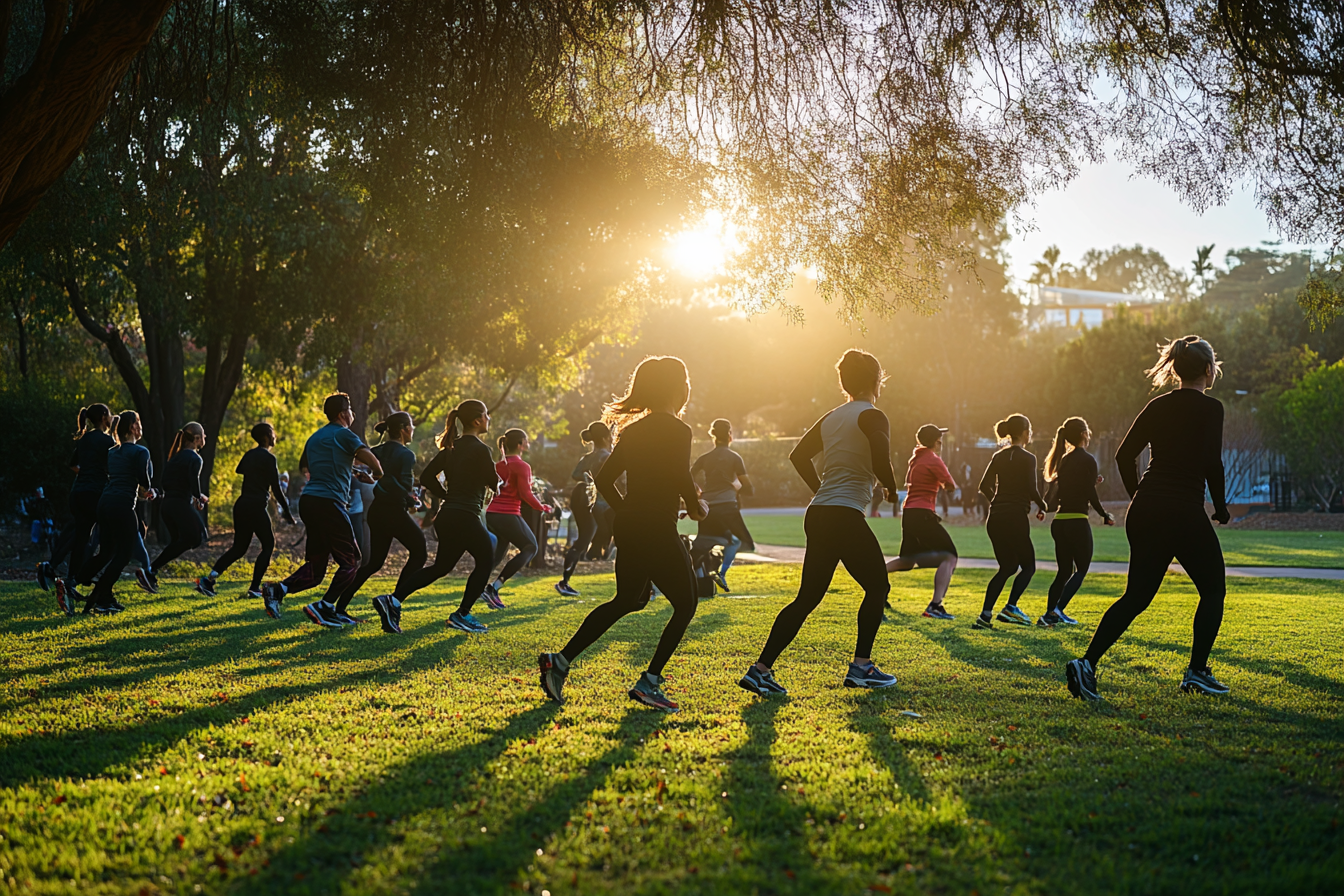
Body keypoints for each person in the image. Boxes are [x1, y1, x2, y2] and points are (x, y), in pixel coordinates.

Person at [538, 356, 708, 712]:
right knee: (687, 602)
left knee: (629, 600)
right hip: (655, 527)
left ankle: (561, 661)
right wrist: (695, 507)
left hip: (629, 524)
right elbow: (679, 474)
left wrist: (629, 507)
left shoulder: (633, 431)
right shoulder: (679, 430)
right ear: (678, 388)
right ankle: (650, 684)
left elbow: (603, 479)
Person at [1067, 336, 1231, 700]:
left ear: (1174, 369)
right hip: (1182, 509)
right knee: (1213, 590)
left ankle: (1087, 663)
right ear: (1208, 369)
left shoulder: (1157, 407)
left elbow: (1125, 457)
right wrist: (1219, 507)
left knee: (1137, 596)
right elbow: (1212, 464)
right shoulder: (1212, 408)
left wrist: (1139, 496)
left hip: (1146, 509)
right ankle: (1197, 672)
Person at [738, 349, 901, 698]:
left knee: (808, 597)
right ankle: (861, 667)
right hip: (843, 514)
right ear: (877, 381)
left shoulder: (832, 417)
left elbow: (798, 455)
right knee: (877, 587)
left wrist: (820, 490)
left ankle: (760, 670)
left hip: (821, 512)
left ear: (844, 382)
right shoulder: (873, 416)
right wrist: (891, 487)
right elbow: (881, 454)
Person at [260, 392, 384, 626]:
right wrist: (377, 473)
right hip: (329, 503)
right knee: (353, 560)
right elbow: (370, 457)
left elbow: (311, 465)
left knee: (317, 569)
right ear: (342, 414)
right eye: (350, 410)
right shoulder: (344, 434)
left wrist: (350, 472)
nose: (353, 414)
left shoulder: (316, 437)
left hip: (310, 501)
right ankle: (325, 607)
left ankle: (278, 590)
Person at [386, 400, 499, 632]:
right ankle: (462, 615)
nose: (489, 419)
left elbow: (427, 477)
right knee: (486, 558)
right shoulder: (481, 449)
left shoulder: (451, 448)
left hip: (448, 515)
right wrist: (496, 482)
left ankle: (393, 600)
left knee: (441, 567)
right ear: (477, 420)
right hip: (465, 516)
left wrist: (445, 494)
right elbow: (493, 480)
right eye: (487, 415)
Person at [330, 411, 427, 634]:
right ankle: (393, 603)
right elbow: (400, 486)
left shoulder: (376, 451)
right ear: (403, 429)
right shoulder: (406, 455)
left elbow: (383, 479)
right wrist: (412, 499)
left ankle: (339, 608)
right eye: (411, 426)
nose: (412, 430)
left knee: (373, 564)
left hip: (377, 512)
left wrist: (375, 480)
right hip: (393, 512)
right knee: (420, 552)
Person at [195, 423, 295, 599]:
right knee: (269, 545)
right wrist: (287, 513)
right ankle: (254, 587)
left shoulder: (250, 455)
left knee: (239, 547)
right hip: (256, 506)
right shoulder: (269, 458)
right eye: (272, 433)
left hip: (242, 505)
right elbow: (276, 489)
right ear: (265, 437)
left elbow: (239, 469)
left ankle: (209, 580)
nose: (274, 436)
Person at [1039, 417, 1114, 626]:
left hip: (1060, 522)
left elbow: (1071, 488)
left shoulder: (1064, 459)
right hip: (1077, 522)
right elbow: (1088, 492)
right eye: (1087, 431)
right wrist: (1104, 514)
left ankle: (1049, 614)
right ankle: (1058, 610)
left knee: (1064, 571)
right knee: (1081, 569)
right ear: (1083, 435)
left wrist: (1091, 482)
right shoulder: (1088, 459)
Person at [80, 411, 157, 614]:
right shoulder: (141, 452)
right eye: (139, 423)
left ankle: (79, 581)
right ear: (133, 427)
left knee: (107, 552)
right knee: (124, 555)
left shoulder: (113, 452)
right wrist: (151, 489)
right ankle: (100, 595)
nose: (141, 427)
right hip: (122, 506)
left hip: (104, 504)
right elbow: (142, 477)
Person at [974, 414, 1047, 630]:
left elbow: (984, 485)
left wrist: (997, 501)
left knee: (1007, 567)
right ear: (1025, 433)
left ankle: (985, 616)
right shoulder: (1028, 458)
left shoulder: (998, 456)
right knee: (1029, 566)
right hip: (1015, 518)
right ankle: (1011, 607)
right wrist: (1043, 505)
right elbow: (1032, 489)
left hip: (995, 518)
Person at [39, 404, 115, 602]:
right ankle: (88, 580)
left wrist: (86, 474)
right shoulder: (108, 440)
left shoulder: (84, 439)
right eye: (111, 414)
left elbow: (72, 464)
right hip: (95, 493)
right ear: (104, 417)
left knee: (82, 536)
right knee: (106, 538)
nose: (113, 416)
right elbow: (114, 466)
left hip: (78, 493)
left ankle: (70, 580)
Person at [885, 424, 959, 620]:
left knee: (908, 561)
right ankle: (935, 606)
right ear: (937, 441)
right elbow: (951, 485)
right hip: (923, 513)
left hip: (909, 513)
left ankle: (877, 576)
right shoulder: (933, 459)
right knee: (950, 557)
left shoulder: (915, 458)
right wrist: (946, 486)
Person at [482, 428, 553, 608]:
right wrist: (542, 506)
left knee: (498, 554)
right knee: (531, 547)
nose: (528, 443)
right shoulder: (522, 466)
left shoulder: (498, 465)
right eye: (526, 440)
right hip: (507, 513)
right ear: (520, 444)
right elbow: (525, 494)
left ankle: (478, 589)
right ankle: (493, 587)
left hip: (492, 514)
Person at [691, 418, 755, 591]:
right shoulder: (735, 458)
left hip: (707, 507)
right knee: (744, 542)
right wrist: (737, 488)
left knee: (702, 545)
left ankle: (710, 559)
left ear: (713, 436)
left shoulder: (704, 458)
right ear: (729, 436)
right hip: (727, 506)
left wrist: (697, 493)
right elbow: (748, 488)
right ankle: (720, 570)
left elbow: (688, 477)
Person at [147, 422, 210, 584]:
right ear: (196, 439)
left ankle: (150, 571)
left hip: (167, 506)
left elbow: (166, 482)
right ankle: (150, 569)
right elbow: (192, 479)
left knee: (178, 541)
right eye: (203, 435)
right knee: (197, 537)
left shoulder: (174, 458)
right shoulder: (195, 458)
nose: (205, 437)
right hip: (179, 505)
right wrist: (198, 496)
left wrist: (195, 496)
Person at [555, 421, 612, 597]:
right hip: (599, 502)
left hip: (580, 497)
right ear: (605, 437)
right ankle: (565, 581)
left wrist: (588, 476)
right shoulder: (607, 456)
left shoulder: (587, 457)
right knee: (602, 535)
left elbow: (575, 474)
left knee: (583, 539)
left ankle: (566, 580)